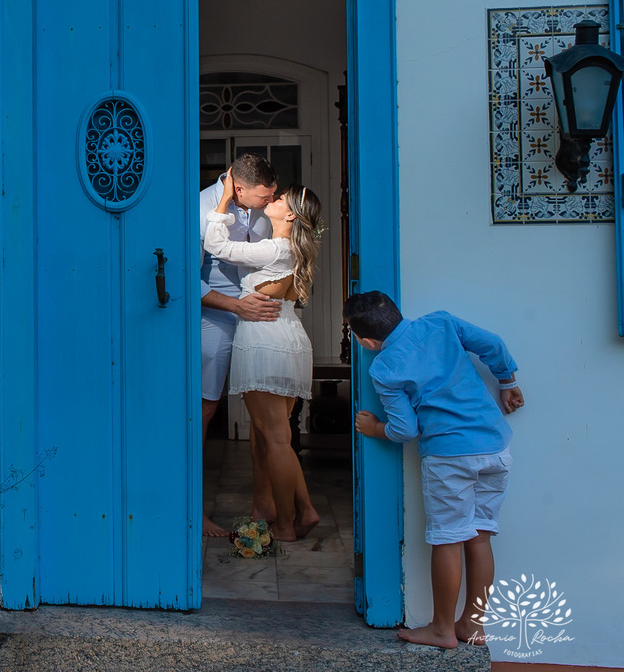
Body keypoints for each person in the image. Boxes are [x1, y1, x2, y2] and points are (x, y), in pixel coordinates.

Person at [344, 291, 525, 649]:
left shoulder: (383, 367)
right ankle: (473, 624)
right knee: (480, 535)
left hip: (449, 458)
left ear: (366, 341)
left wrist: (374, 428)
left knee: (447, 539)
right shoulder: (440, 322)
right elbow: (492, 344)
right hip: (494, 446)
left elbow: (405, 429)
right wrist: (507, 381)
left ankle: (442, 629)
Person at [203, 176, 323, 542]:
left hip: (266, 343)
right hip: (287, 338)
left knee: (274, 439)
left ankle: (287, 525)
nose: (273, 197)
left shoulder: (275, 248)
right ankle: (299, 511)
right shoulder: (287, 249)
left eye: (280, 197)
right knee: (274, 437)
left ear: (289, 215)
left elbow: (215, 244)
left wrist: (222, 199)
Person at [199, 153, 281, 536]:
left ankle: (264, 506)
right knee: (206, 409)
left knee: (264, 410)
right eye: (265, 196)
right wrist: (235, 306)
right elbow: (188, 276)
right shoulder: (200, 207)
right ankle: (193, 511)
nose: (271, 202)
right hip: (214, 317)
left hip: (257, 317)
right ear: (240, 188)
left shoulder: (263, 212)